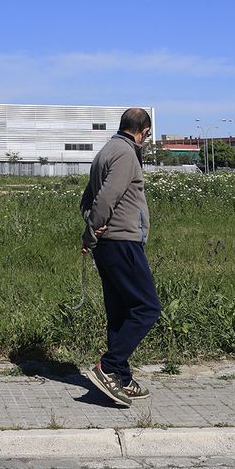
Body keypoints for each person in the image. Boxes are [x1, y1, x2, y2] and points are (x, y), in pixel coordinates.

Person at [79, 106, 160, 407]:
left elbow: (87, 200)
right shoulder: (126, 154)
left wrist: (93, 228)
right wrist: (93, 230)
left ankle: (121, 379)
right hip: (123, 241)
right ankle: (109, 366)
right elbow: (106, 198)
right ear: (142, 132)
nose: (145, 141)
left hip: (108, 244)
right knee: (147, 308)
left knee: (120, 312)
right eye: (146, 136)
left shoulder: (105, 151)